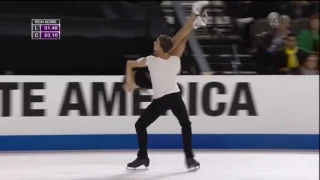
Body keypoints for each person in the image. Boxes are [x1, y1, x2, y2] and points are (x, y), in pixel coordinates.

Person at [123, 1, 209, 169]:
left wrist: (130, 82)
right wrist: (194, 26)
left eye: (156, 43)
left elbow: (129, 63)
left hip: (172, 97)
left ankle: (189, 158)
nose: (153, 43)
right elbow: (181, 39)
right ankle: (143, 157)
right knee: (141, 125)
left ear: (161, 49)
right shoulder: (174, 59)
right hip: (164, 99)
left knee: (184, 125)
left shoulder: (151, 60)